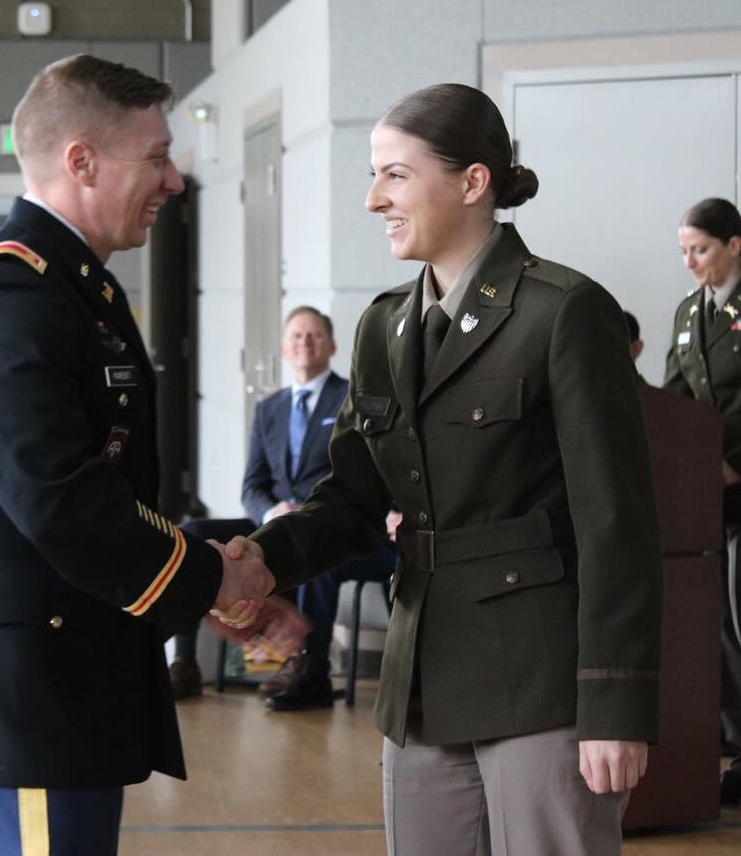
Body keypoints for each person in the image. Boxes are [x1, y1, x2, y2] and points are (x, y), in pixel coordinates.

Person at [222, 84, 662, 855]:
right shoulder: (383, 325)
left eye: (394, 174)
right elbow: (354, 500)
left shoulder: (561, 310)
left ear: (471, 181)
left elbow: (615, 522)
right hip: (421, 679)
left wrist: (615, 706)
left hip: (541, 683)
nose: (371, 199)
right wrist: (260, 562)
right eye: (373, 175)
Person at [0, 54, 301, 856]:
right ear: (80, 161)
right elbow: (61, 497)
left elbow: (118, 491)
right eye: (155, 157)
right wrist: (213, 583)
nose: (175, 180)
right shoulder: (5, 295)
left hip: (66, 674)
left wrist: (210, 585)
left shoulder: (77, 289)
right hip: (25, 692)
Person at [169, 307, 398, 710]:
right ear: (284, 348)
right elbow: (252, 485)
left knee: (322, 555)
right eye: (296, 336)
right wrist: (271, 512)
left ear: (332, 345)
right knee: (193, 532)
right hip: (275, 518)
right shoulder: (268, 408)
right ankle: (185, 661)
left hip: (332, 522)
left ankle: (309, 672)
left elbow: (373, 470)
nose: (304, 343)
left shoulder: (352, 398)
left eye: (313, 335)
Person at [662, 196, 741, 805]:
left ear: (734, 245)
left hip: (739, 483)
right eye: (685, 251)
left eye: (702, 249)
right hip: (703, 498)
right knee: (716, 623)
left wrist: (733, 462)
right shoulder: (690, 312)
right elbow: (674, 397)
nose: (690, 262)